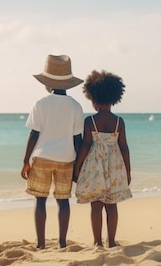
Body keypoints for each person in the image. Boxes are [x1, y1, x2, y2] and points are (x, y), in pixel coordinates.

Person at [21, 54, 84, 249]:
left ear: (47, 83)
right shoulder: (76, 106)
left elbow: (33, 134)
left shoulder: (41, 103)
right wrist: (79, 166)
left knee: (40, 200)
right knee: (63, 201)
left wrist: (25, 161)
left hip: (42, 156)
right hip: (67, 159)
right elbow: (77, 140)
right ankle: (62, 242)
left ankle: (40, 244)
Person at [73, 70, 132, 248]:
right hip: (114, 166)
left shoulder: (90, 121)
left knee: (96, 205)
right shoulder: (119, 122)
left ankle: (97, 241)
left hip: (95, 167)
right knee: (112, 205)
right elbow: (124, 147)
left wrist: (77, 167)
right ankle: (112, 241)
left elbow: (85, 146)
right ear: (114, 97)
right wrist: (127, 171)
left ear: (94, 98)